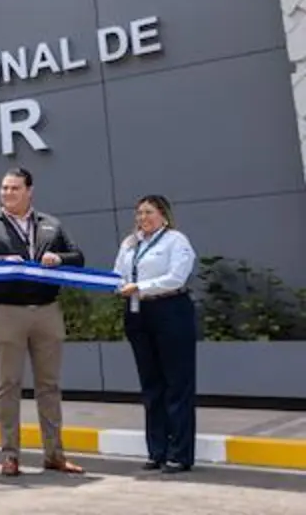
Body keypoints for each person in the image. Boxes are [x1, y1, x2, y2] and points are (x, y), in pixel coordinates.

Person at [0, 167, 85, 476]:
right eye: (4, 188)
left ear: (30, 191)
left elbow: (78, 257)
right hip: (6, 312)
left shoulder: (51, 225)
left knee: (49, 386)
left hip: (46, 310)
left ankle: (54, 453)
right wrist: (0, 262)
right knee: (8, 384)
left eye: (14, 188)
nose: (7, 193)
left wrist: (60, 259)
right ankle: (10, 455)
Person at [113, 195, 198, 473]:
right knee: (151, 385)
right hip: (139, 314)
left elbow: (176, 277)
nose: (142, 218)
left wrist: (140, 286)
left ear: (163, 215)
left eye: (149, 212)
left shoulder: (176, 240)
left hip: (170, 310)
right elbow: (118, 275)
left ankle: (180, 453)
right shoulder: (130, 243)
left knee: (177, 383)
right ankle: (157, 451)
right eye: (139, 213)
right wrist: (121, 286)